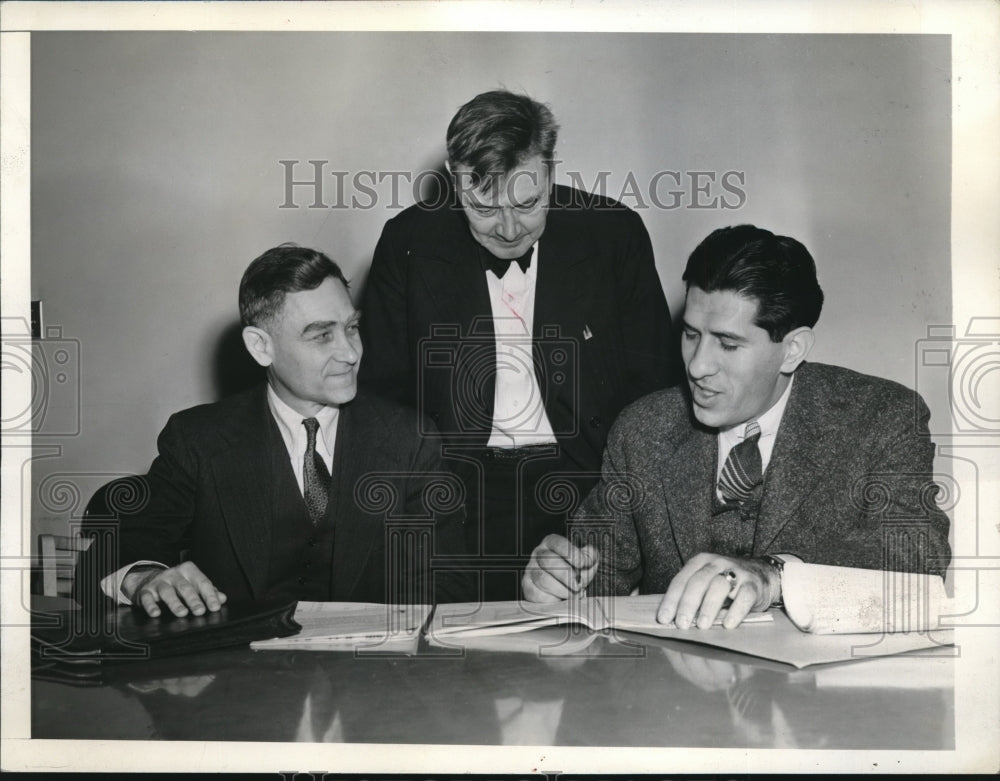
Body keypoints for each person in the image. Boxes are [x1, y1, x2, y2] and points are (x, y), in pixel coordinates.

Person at [522, 224, 951, 628]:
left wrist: (776, 577)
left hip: (813, 699)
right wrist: (557, 585)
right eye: (691, 335)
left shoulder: (881, 419)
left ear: (791, 349)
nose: (698, 365)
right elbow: (595, 580)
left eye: (728, 344)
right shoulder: (643, 429)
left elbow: (918, 561)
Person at [360, 89, 675, 600]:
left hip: (587, 483)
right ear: (454, 176)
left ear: (551, 171)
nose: (508, 229)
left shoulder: (613, 234)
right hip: (458, 488)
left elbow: (655, 387)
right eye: (483, 206)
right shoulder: (408, 240)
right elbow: (384, 396)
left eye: (528, 203)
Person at [76, 244, 471, 617]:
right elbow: (116, 552)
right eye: (321, 335)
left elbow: (446, 582)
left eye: (351, 328)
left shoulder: (410, 438)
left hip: (366, 675)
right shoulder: (199, 440)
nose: (351, 353)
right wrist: (146, 578)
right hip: (238, 678)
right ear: (261, 347)